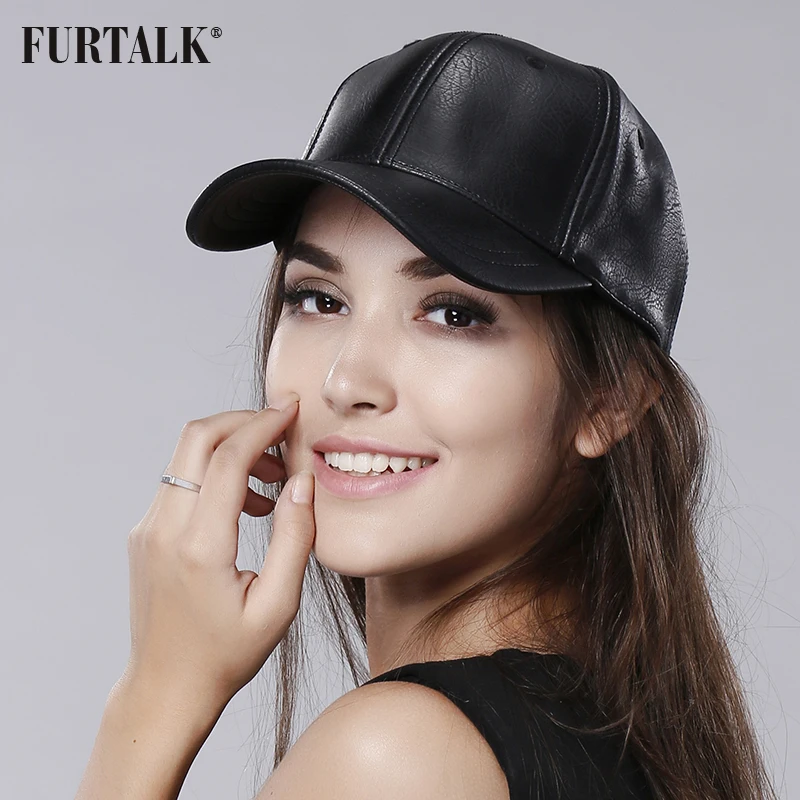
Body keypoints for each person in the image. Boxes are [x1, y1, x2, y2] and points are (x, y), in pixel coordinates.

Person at [75, 31, 778, 800]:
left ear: (609, 399)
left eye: (452, 313)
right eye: (319, 299)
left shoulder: (392, 757)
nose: (348, 380)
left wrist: (154, 699)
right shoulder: (613, 741)